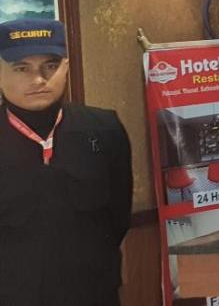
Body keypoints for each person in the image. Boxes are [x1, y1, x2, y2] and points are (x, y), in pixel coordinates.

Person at [0, 19, 133, 305]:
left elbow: (118, 217)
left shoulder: (103, 128)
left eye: (50, 65)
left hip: (93, 292)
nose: (39, 79)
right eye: (21, 68)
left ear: (66, 67)